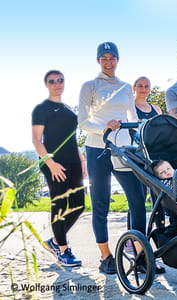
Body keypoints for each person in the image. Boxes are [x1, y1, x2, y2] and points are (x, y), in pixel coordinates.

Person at [78, 42, 147, 274]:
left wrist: (140, 130)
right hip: (97, 150)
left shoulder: (126, 87)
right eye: (104, 58)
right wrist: (103, 127)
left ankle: (140, 253)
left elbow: (133, 115)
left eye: (112, 58)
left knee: (137, 199)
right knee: (101, 203)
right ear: (98, 60)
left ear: (118, 60)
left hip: (122, 150)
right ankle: (106, 257)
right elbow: (83, 121)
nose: (109, 62)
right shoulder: (89, 86)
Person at [32, 70, 85, 267]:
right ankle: (63, 251)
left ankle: (55, 241)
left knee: (79, 205)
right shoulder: (42, 109)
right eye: (52, 81)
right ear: (47, 85)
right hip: (53, 163)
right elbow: (37, 140)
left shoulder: (68, 109)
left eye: (60, 80)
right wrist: (50, 164)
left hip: (73, 161)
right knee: (59, 205)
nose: (57, 84)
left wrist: (82, 161)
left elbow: (71, 139)